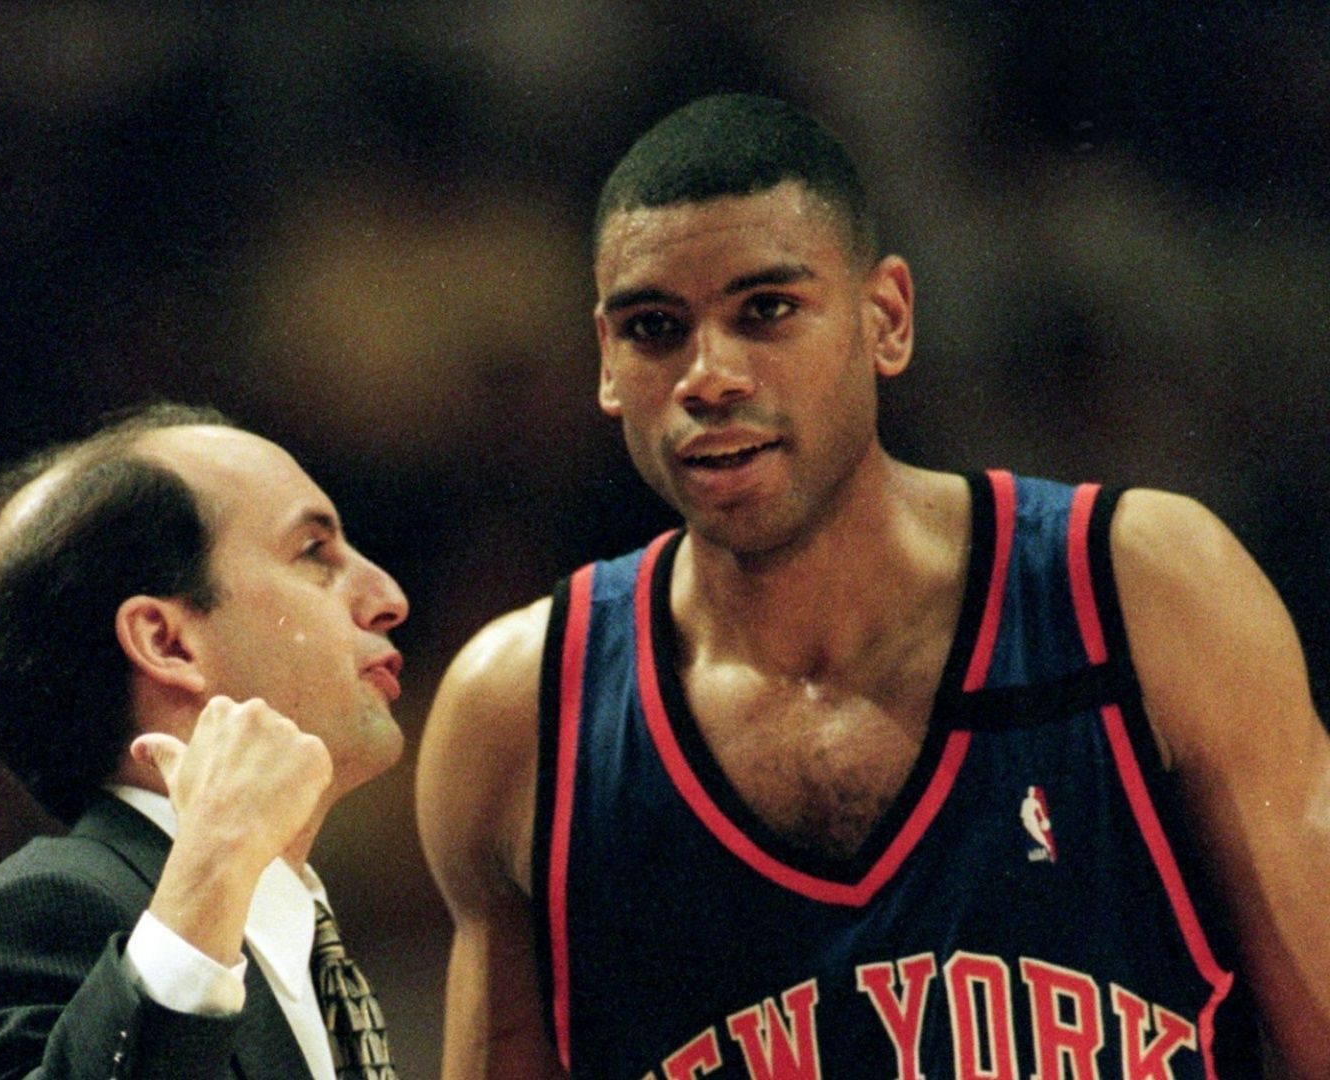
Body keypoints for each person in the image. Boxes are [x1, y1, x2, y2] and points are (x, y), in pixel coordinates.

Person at [415, 94, 1330, 1078]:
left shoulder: (1142, 588)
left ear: (885, 318)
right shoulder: (520, 714)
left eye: (765, 311)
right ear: (606, 364)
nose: (709, 375)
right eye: (654, 328)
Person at [0, 403, 408, 1079]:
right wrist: (211, 874)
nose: (388, 596)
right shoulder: (53, 906)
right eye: (315, 552)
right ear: (167, 641)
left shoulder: (302, 938)